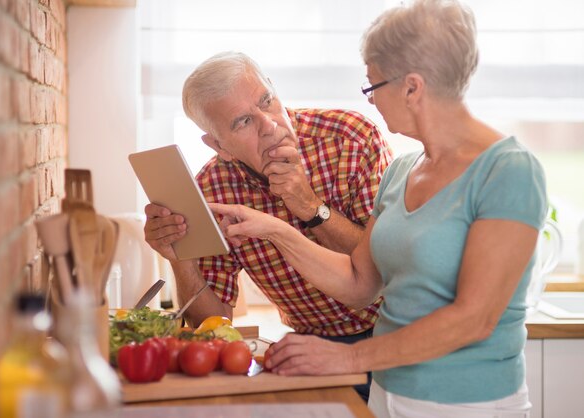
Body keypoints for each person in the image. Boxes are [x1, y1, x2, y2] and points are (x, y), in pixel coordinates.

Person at [209, 1, 547, 417]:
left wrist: (348, 360)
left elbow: (473, 319)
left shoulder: (508, 170)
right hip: (390, 393)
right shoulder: (403, 171)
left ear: (412, 88)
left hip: (470, 402)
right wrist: (275, 230)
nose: (369, 101)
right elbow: (360, 282)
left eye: (372, 87)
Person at [143, 51, 393, 401]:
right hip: (311, 346)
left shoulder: (351, 138)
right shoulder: (212, 190)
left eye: (267, 101)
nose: (270, 125)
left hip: (395, 333)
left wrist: (308, 205)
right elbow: (212, 323)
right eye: (243, 122)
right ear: (219, 146)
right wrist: (178, 257)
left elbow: (384, 269)